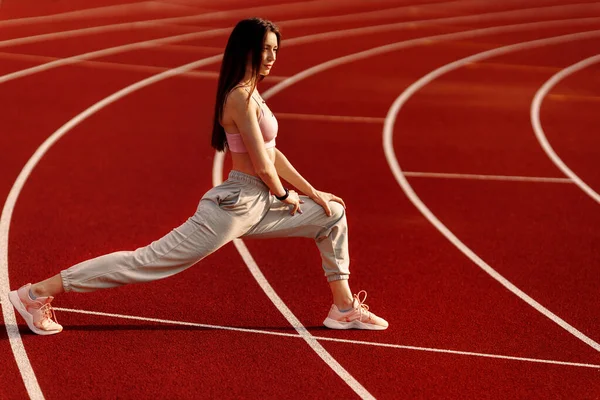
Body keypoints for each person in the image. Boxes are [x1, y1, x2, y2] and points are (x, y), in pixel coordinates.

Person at [8, 17, 388, 336]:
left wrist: (311, 192)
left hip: (260, 203)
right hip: (235, 206)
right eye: (265, 48)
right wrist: (285, 196)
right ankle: (34, 294)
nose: (272, 56)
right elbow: (262, 165)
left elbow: (273, 154)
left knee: (332, 214)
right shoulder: (238, 96)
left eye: (275, 49)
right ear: (246, 49)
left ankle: (342, 308)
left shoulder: (255, 94)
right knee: (146, 261)